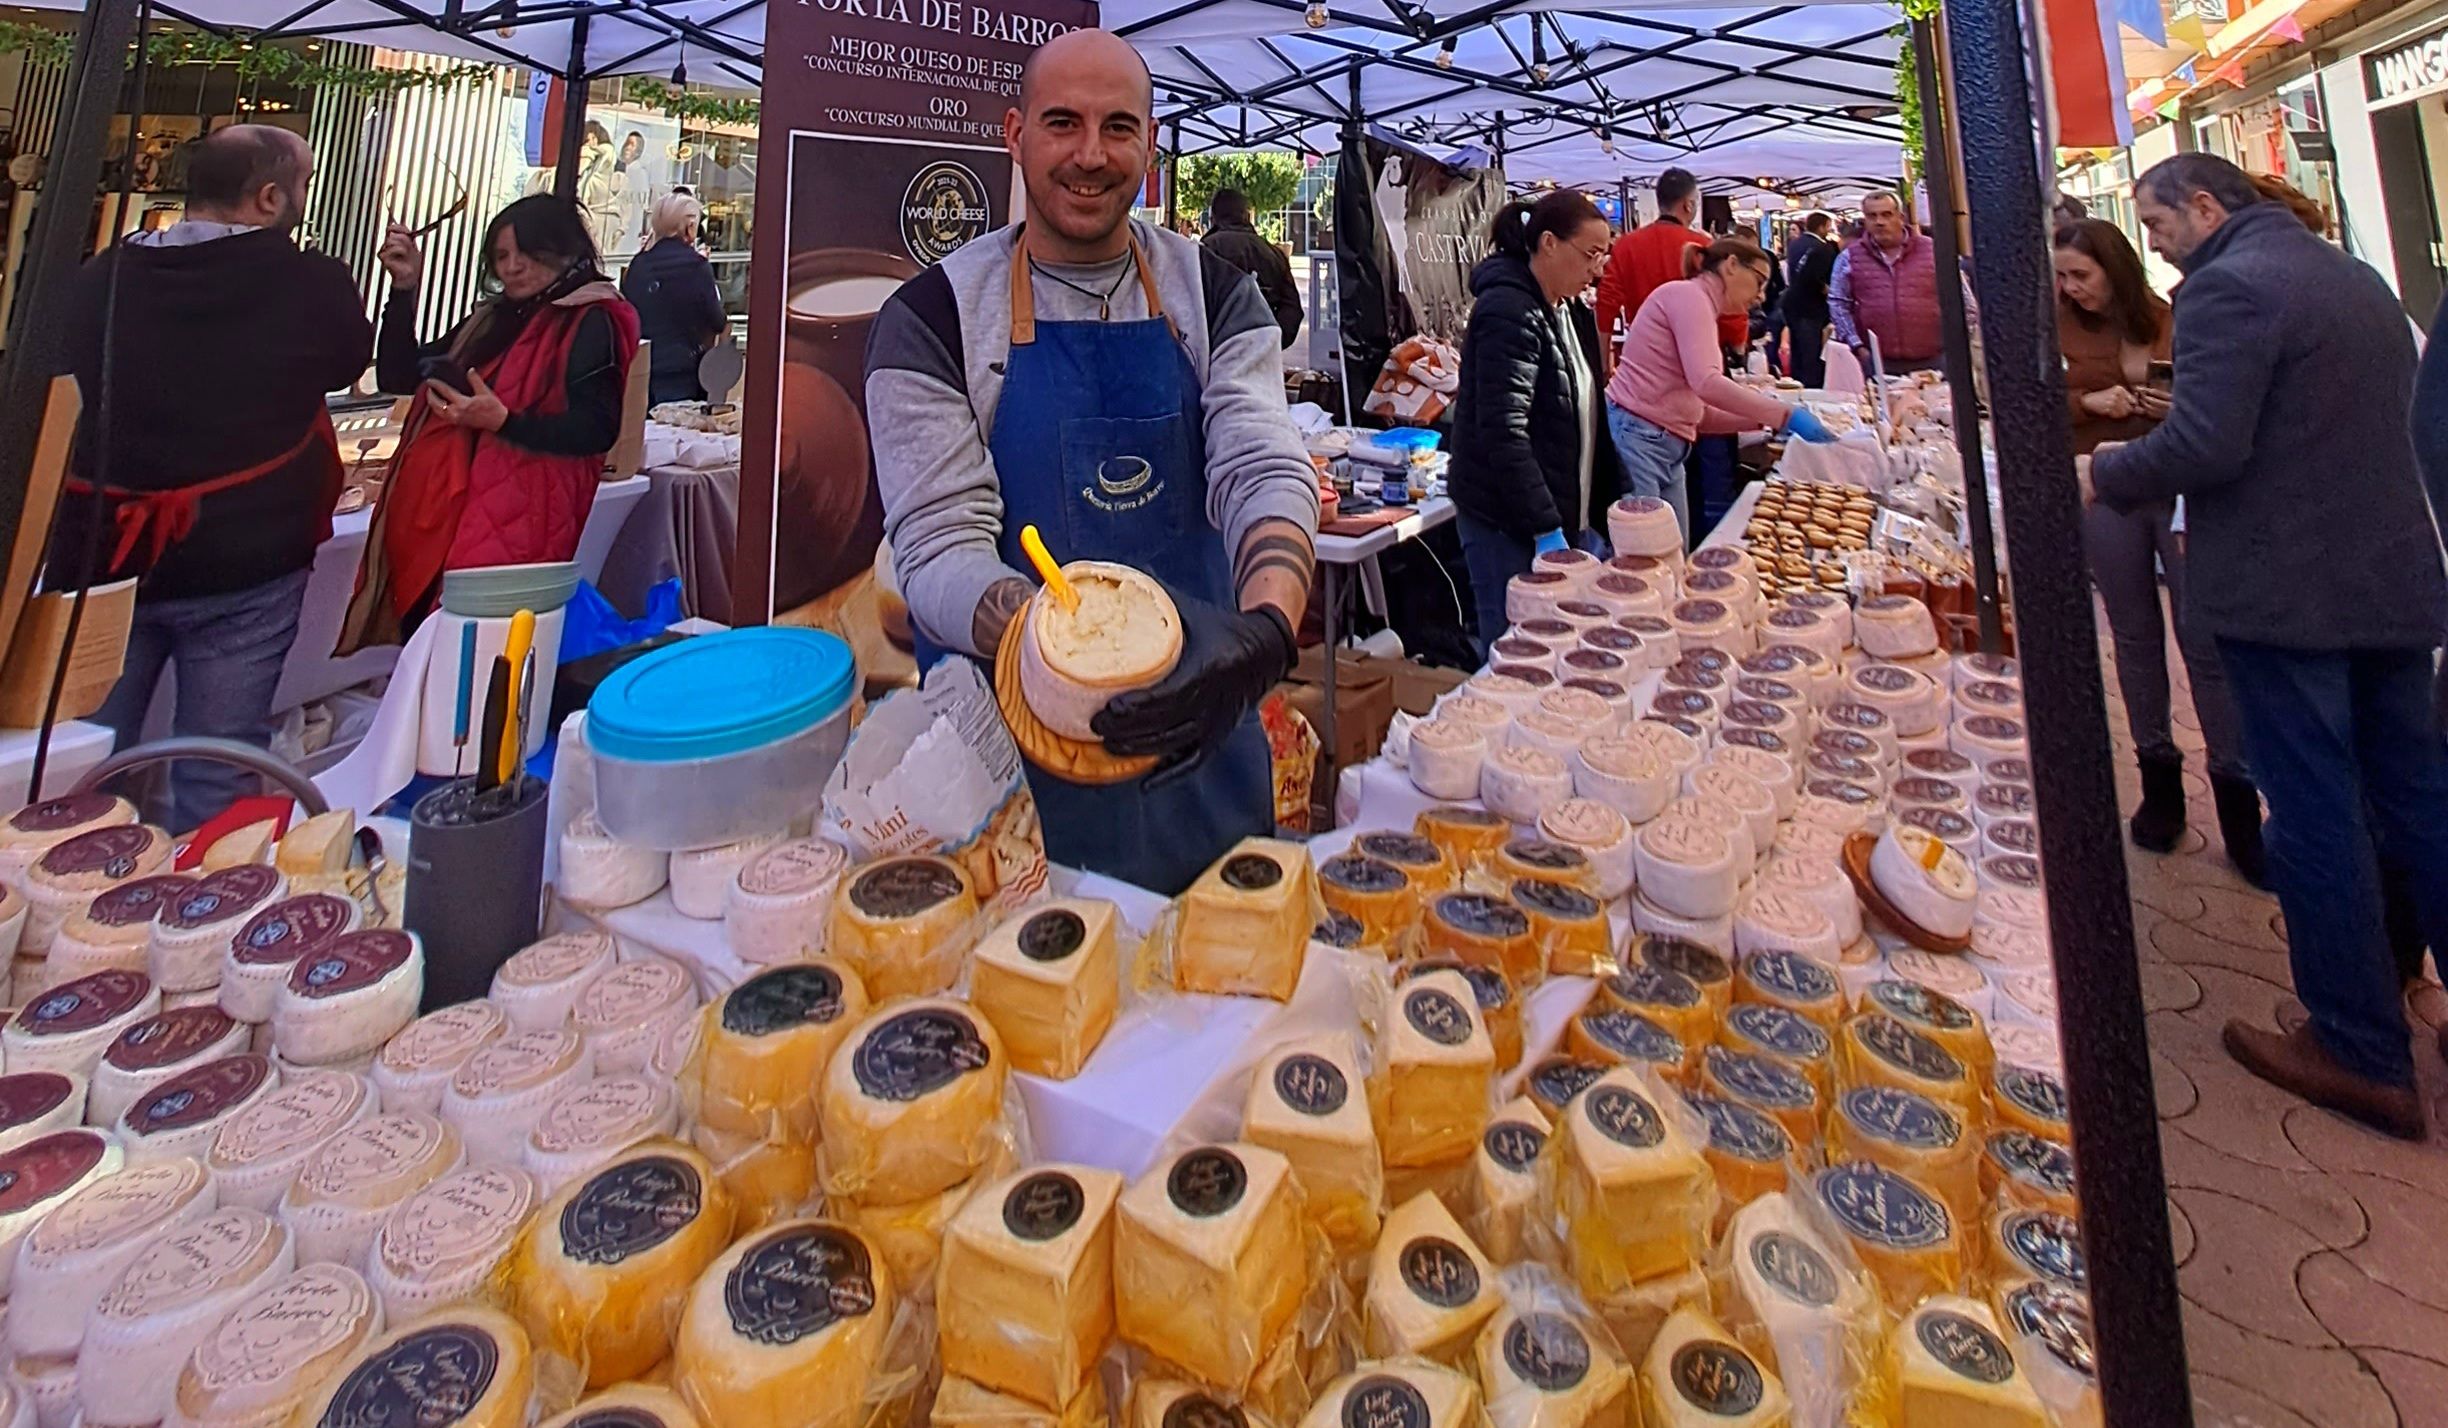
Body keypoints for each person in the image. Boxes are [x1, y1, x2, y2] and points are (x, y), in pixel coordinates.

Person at [864, 29, 1319, 898]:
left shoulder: (1217, 297)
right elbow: (936, 544)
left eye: (1118, 128)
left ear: (1150, 143)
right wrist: (1067, 660)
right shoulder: (931, 320)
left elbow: (1262, 464)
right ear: (1015, 133)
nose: (1089, 154)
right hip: (1005, 797)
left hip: (1203, 747)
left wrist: (1262, 633)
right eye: (1062, 122)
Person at [2085, 152, 2448, 1140]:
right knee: (2418, 796)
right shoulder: (2353, 275)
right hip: (2391, 580)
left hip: (2290, 590)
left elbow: (2206, 445)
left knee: (2317, 804)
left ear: (2205, 207)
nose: (2158, 254)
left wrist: (2106, 468)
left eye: (2159, 229)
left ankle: (2359, 1044)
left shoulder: (2228, 290)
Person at [53, 126, 373, 831]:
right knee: (218, 768)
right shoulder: (308, 277)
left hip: (102, 557)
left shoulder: (100, 276)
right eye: (302, 186)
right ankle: (198, 914)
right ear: (267, 196)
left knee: (85, 766)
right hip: (243, 563)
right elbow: (349, 359)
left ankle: (81, 908)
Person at [2054, 218, 2261, 878]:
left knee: (2204, 640)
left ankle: (2237, 795)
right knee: (2134, 635)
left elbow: (2218, 404)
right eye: (2061, 276)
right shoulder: (2052, 328)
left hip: (2177, 491)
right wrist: (2092, 401)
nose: (2071, 288)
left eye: (2080, 275)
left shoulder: (2174, 318)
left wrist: (2173, 409)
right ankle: (2158, 782)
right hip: (2102, 490)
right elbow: (2032, 405)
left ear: (2116, 269)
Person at [345, 195, 640, 648]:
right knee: (435, 651)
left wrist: (503, 421)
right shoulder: (493, 318)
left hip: (516, 522)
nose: (513, 267)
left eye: (527, 252)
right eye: (501, 256)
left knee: (476, 660)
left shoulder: (591, 317)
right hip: (441, 517)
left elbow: (597, 429)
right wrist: (404, 290)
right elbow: (399, 374)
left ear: (563, 248)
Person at [1448, 191, 1623, 649]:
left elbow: (1591, 423)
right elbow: (1504, 430)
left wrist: (1617, 504)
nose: (1597, 268)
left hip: (1560, 517)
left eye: (1603, 255)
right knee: (1513, 654)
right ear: (1548, 243)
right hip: (1506, 521)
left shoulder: (1571, 312)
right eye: (1590, 254)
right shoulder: (1508, 311)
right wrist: (1544, 525)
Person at [1605, 237, 1836, 537]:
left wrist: (1765, 422)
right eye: (1759, 282)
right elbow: (1707, 383)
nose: (1760, 297)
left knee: (1671, 551)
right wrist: (1782, 415)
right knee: (1649, 553)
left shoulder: (1698, 304)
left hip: (1661, 444)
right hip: (1640, 438)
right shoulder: (1690, 297)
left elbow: (1698, 414)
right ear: (1731, 266)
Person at [1596, 167, 1745, 366]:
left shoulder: (1627, 245)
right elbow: (1730, 304)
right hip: (1696, 357)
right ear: (1689, 205)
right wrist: (1738, 348)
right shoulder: (1703, 246)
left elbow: (1606, 304)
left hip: (1643, 357)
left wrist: (1604, 360)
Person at [621, 193, 727, 406]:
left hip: (640, 366)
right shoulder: (696, 267)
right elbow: (717, 320)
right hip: (682, 368)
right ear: (689, 227)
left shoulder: (638, 265)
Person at [1829, 191, 1944, 373]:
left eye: (1886, 214)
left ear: (1900, 217)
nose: (1879, 222)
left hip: (1933, 360)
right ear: (1865, 220)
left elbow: (1965, 303)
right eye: (1872, 216)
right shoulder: (1849, 257)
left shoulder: (1932, 251)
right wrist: (1856, 345)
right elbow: (1838, 302)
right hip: (1878, 363)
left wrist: (1954, 345)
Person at [1201, 187, 1302, 349]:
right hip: (1263, 352)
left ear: (1213, 218)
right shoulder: (1273, 253)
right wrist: (1272, 342)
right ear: (1247, 216)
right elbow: (1292, 308)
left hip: (1216, 353)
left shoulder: (1205, 250)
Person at [1782, 212, 1837, 387]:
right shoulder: (1823, 248)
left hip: (1793, 303)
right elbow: (1812, 277)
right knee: (1811, 353)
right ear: (1822, 226)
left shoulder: (1795, 244)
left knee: (1798, 351)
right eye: (1828, 226)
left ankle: (1797, 384)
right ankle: (1810, 387)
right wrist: (1827, 290)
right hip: (1811, 307)